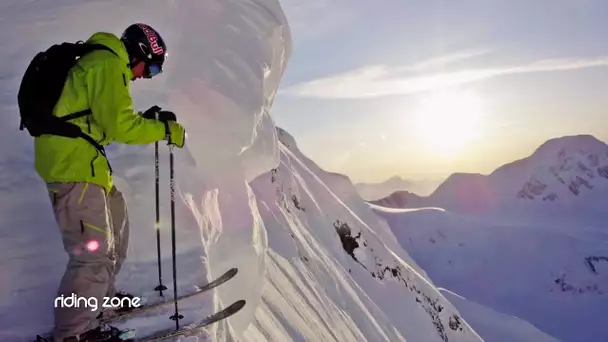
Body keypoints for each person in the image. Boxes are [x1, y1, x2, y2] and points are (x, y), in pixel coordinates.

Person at [35, 23, 185, 342]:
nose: (148, 75)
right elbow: (121, 127)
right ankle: (73, 332)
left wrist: (151, 120)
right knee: (92, 255)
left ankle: (99, 300)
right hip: (72, 166)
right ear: (139, 54)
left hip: (87, 166)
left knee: (116, 232)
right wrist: (165, 131)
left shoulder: (106, 63)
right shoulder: (106, 63)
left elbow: (106, 116)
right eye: (153, 67)